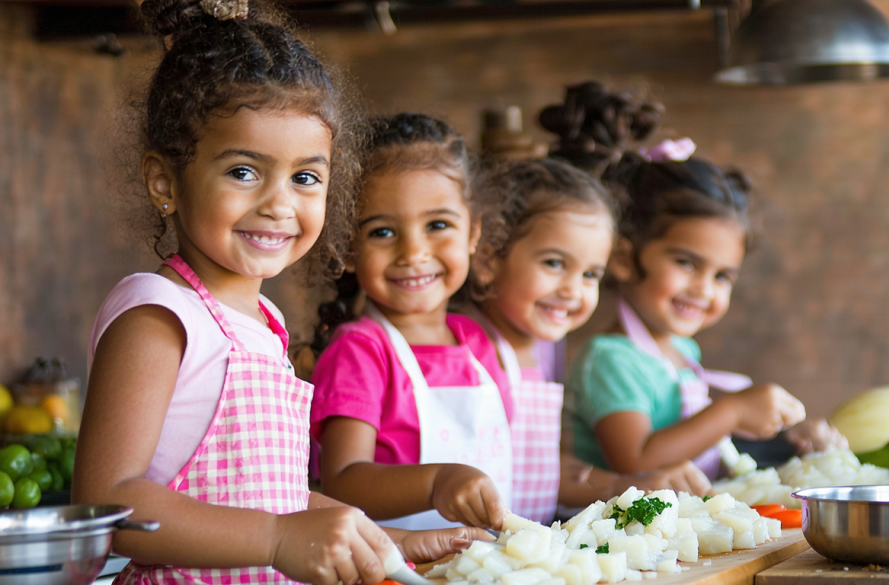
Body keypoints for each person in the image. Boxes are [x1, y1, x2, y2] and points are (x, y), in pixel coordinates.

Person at [73, 5, 485, 583]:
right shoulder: (158, 316)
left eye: (305, 177)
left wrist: (401, 544)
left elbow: (277, 502)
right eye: (244, 171)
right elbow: (107, 505)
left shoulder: (264, 323)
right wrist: (274, 539)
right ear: (165, 181)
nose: (279, 204)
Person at [567, 136, 847, 480]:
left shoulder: (682, 350)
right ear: (624, 258)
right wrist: (731, 412)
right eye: (686, 263)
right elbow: (637, 462)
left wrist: (787, 439)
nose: (704, 289)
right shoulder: (610, 360)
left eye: (722, 276)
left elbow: (695, 442)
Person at [465, 157, 711, 524]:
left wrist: (625, 485)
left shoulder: (541, 352)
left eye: (590, 274)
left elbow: (544, 466)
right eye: (553, 263)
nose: (572, 290)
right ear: (488, 260)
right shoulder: (467, 353)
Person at [311, 113, 514, 531]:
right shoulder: (360, 350)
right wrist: (438, 481)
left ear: (473, 233)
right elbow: (342, 482)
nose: (414, 252)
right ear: (348, 248)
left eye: (438, 225)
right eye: (383, 232)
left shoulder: (477, 343)